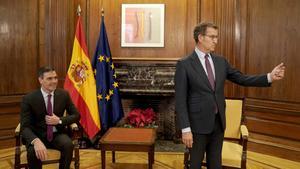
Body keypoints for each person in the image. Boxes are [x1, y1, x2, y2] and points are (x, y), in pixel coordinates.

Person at [175, 22, 285, 169]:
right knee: (194, 165)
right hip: (196, 127)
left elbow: (242, 78)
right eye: (212, 37)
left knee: (216, 165)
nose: (216, 40)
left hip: (218, 124)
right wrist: (185, 129)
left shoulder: (221, 61)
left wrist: (269, 77)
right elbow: (180, 100)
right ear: (200, 37)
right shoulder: (185, 64)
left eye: (217, 37)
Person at [20, 66, 80, 169]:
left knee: (68, 145)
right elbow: (24, 127)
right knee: (32, 152)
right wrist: (36, 141)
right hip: (36, 135)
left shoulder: (63, 95)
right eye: (49, 78)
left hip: (57, 134)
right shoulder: (29, 99)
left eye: (55, 78)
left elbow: (76, 115)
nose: (54, 81)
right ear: (40, 80)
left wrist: (59, 120)